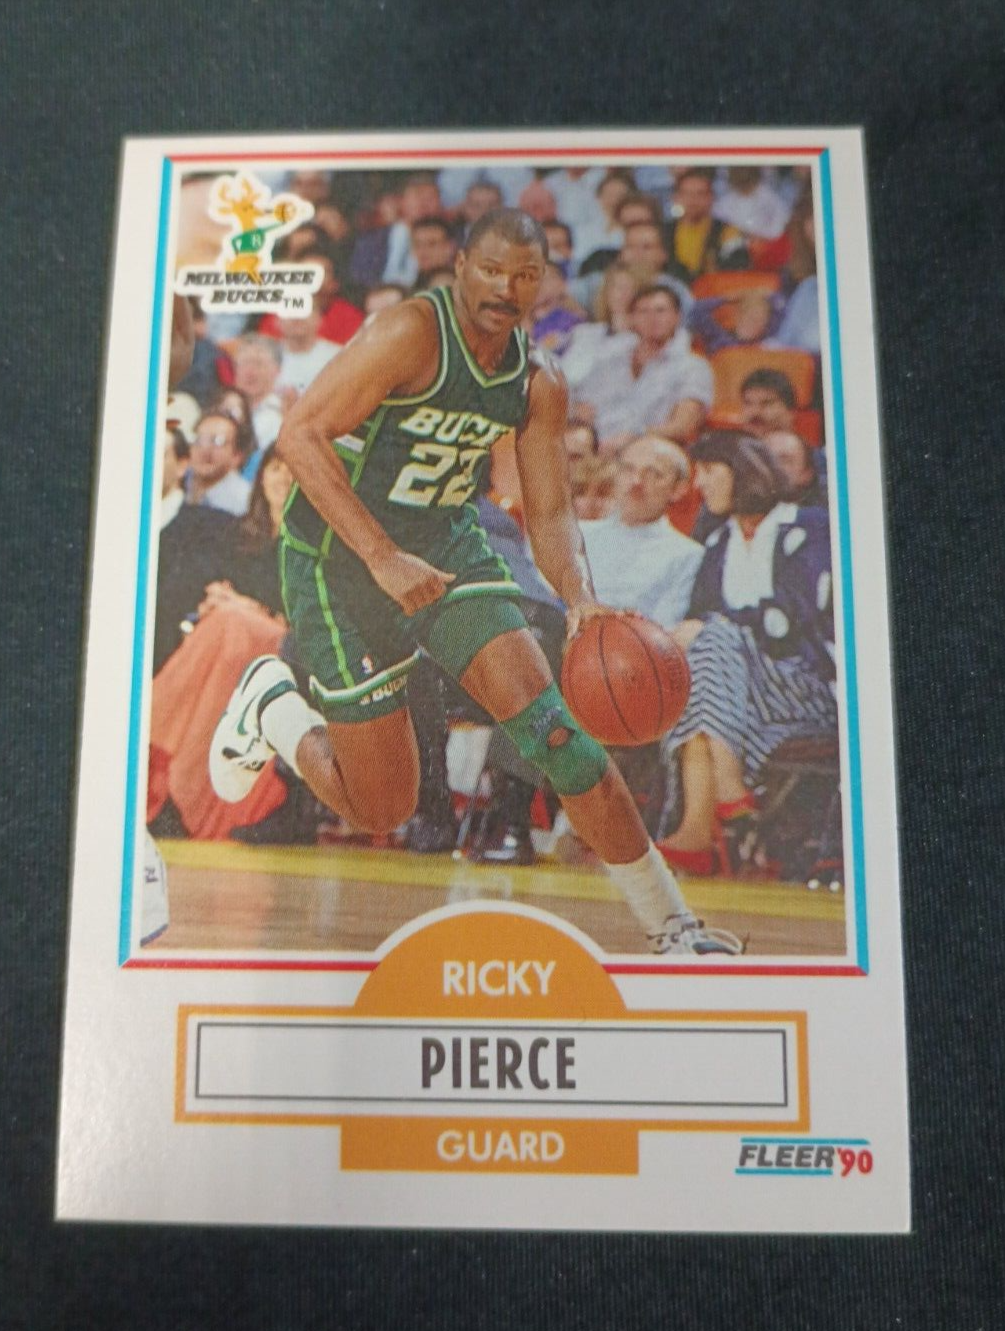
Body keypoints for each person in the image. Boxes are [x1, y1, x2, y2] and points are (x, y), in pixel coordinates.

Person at [209, 207, 740, 956]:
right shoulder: (408, 333)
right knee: (381, 807)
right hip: (337, 557)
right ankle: (273, 707)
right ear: (460, 268)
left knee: (558, 735)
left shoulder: (538, 378)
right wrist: (380, 557)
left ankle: (673, 926)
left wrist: (579, 596)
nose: (505, 287)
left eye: (524, 275)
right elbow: (299, 436)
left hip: (447, 547)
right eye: (490, 269)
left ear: (542, 284)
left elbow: (549, 509)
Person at [657, 431, 837, 875]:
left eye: (708, 471)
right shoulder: (718, 543)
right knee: (703, 663)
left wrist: (723, 627)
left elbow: (798, 616)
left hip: (806, 688)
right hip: (743, 701)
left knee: (715, 635)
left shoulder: (809, 527)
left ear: (744, 471)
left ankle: (726, 786)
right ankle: (699, 830)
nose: (700, 484)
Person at [579, 435, 703, 630]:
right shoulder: (580, 534)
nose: (636, 482)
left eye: (653, 474)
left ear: (678, 489)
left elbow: (663, 629)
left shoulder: (687, 555)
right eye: (628, 469)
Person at [571, 284, 714, 451]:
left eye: (660, 311)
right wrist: (577, 410)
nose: (652, 318)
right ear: (632, 319)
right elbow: (579, 403)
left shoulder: (693, 367)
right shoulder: (610, 358)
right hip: (593, 445)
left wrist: (634, 437)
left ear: (677, 317)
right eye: (643, 311)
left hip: (649, 448)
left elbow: (683, 427)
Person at [665, 168, 748, 283]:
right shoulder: (664, 231)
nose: (693, 200)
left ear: (711, 198)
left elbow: (737, 269)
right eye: (687, 193)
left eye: (700, 194)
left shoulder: (728, 232)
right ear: (676, 198)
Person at [184, 411, 252, 516]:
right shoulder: (179, 483)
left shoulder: (244, 502)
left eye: (217, 442)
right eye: (198, 440)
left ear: (236, 456)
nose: (205, 450)